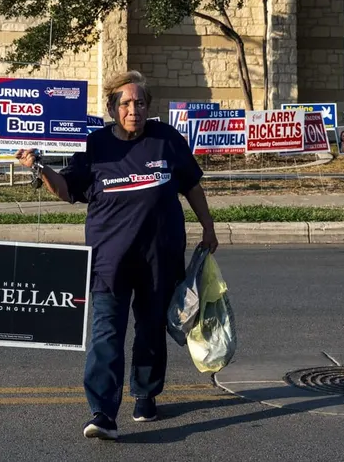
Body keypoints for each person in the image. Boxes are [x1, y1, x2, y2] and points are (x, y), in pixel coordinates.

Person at [17, 71, 217, 441]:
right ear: (112, 108)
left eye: (140, 102)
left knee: (151, 329)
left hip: (160, 256)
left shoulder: (166, 140)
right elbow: (67, 189)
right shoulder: (96, 147)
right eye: (125, 103)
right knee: (106, 333)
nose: (133, 109)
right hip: (110, 260)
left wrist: (208, 226)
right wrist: (40, 167)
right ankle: (103, 412)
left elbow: (191, 185)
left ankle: (144, 392)